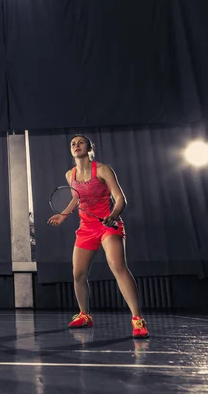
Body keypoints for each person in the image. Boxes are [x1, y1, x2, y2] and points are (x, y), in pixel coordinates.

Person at [48, 134, 149, 338]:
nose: (76, 145)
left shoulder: (103, 170)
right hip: (86, 227)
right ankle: (85, 315)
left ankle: (137, 319)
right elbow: (77, 197)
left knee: (118, 266)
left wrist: (113, 216)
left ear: (89, 147)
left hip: (108, 225)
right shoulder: (70, 175)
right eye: (73, 144)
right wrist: (63, 215)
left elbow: (120, 199)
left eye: (80, 142)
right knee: (78, 274)